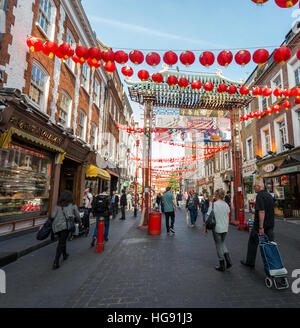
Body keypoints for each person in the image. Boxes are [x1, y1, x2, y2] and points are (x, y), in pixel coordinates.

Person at [241, 177, 275, 268]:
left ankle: (250, 262)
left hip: (260, 226)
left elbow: (261, 211)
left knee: (252, 242)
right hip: (270, 225)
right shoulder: (269, 195)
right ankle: (273, 264)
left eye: (254, 186)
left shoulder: (260, 195)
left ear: (259, 187)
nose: (253, 187)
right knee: (270, 245)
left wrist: (260, 227)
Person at [51, 190, 81, 269]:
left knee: (62, 240)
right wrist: (80, 222)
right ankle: (56, 261)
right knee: (61, 242)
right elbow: (77, 215)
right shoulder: (72, 205)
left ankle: (64, 254)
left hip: (56, 226)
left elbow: (53, 215)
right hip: (65, 226)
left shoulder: (58, 205)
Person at [204, 189, 231, 272]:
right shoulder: (226, 204)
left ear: (216, 195)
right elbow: (228, 214)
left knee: (218, 245)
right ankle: (228, 260)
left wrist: (205, 228)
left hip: (217, 228)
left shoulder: (213, 205)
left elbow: (207, 217)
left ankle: (222, 264)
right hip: (225, 227)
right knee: (222, 243)